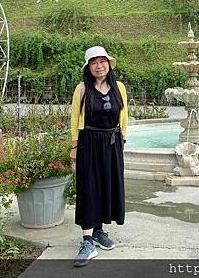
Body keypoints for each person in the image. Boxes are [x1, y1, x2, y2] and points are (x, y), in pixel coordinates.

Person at [69, 46, 128, 267]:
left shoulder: (118, 87)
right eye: (94, 62)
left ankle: (98, 230)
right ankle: (86, 241)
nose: (99, 66)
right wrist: (74, 146)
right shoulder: (82, 89)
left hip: (112, 143)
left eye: (102, 61)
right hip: (89, 143)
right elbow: (75, 118)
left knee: (107, 187)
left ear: (108, 64)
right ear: (88, 67)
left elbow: (124, 115)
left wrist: (123, 140)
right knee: (89, 189)